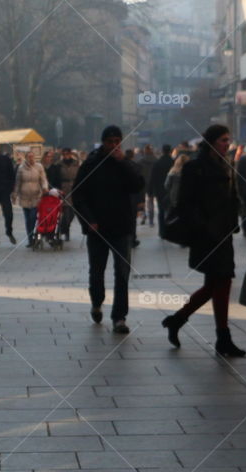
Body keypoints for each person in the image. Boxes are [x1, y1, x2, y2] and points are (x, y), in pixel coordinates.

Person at [161, 124, 246, 357]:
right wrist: (204, 227)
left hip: (224, 233)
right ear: (211, 142)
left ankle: (178, 321)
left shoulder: (226, 164)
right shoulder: (195, 167)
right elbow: (185, 203)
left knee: (217, 284)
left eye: (228, 140)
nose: (227, 144)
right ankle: (221, 337)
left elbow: (232, 197)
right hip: (207, 236)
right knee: (221, 282)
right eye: (222, 140)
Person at [72, 125, 144, 332]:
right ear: (103, 143)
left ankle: (119, 317)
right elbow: (78, 195)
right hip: (97, 228)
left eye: (117, 142)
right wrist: (89, 220)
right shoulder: (91, 164)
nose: (114, 146)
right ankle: (97, 301)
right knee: (97, 271)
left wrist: (123, 163)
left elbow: (138, 185)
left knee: (122, 273)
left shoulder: (125, 164)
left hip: (122, 227)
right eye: (110, 142)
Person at [13, 151, 49, 248]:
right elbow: (18, 182)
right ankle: (30, 239)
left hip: (36, 196)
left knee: (33, 217)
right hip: (24, 196)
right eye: (29, 157)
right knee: (27, 219)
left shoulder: (39, 167)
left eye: (32, 157)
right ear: (26, 158)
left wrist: (45, 187)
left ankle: (34, 235)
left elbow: (43, 179)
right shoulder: (21, 168)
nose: (31, 159)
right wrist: (15, 194)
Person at [48, 148, 81, 241]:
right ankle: (66, 231)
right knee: (66, 213)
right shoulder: (59, 165)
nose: (66, 155)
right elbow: (55, 177)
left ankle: (65, 228)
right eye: (64, 153)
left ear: (70, 154)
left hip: (74, 189)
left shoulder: (76, 163)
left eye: (68, 153)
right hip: (63, 189)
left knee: (73, 213)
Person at [149, 144, 174, 238]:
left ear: (162, 151)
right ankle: (170, 231)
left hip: (160, 191)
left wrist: (150, 191)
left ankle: (162, 232)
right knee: (171, 211)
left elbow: (153, 178)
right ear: (170, 151)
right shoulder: (173, 162)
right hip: (171, 191)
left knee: (161, 212)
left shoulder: (157, 163)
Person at [138, 144, 158, 227]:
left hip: (143, 184)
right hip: (152, 184)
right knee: (151, 202)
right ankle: (151, 221)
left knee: (142, 202)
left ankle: (143, 216)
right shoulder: (156, 161)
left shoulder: (140, 162)